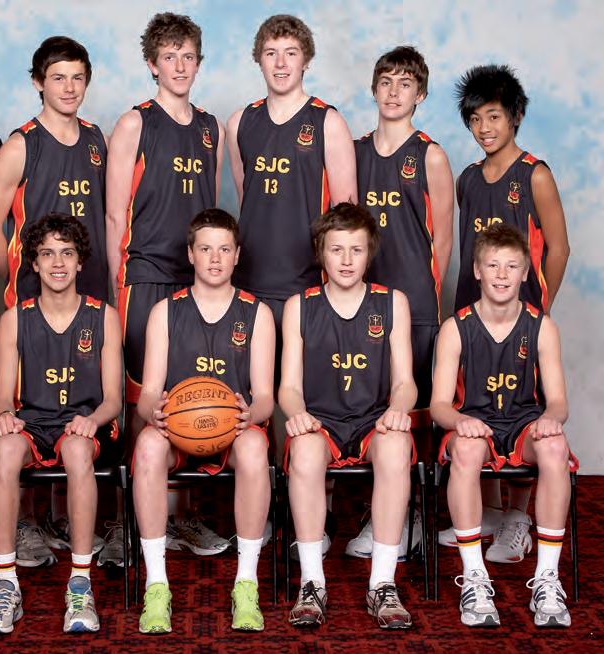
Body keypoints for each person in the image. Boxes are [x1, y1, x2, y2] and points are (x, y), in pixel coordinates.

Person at [0, 35, 111, 567]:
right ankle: (25, 522)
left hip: (86, 291)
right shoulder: (21, 145)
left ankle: (61, 517)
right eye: (58, 78)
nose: (69, 87)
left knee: (76, 401)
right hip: (36, 293)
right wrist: (22, 273)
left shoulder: (96, 139)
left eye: (77, 77)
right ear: (38, 82)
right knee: (24, 407)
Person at [105, 12, 229, 567]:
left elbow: (212, 208)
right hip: (147, 276)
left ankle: (184, 516)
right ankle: (127, 520)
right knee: (143, 400)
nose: (179, 66)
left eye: (188, 57)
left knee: (196, 394)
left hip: (198, 280)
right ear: (152, 64)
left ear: (198, 63)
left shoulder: (210, 127)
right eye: (169, 57)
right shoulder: (135, 123)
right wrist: (120, 287)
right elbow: (114, 216)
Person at [437, 63, 572, 561]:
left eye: (493, 116)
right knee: (476, 404)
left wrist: (541, 307)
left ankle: (518, 516)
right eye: (475, 119)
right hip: (474, 309)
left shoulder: (535, 174)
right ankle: (489, 511)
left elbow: (558, 248)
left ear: (515, 116)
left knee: (523, 405)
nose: (484, 128)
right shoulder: (468, 179)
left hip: (521, 312)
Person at [132, 209, 276, 634]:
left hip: (232, 428)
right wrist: (154, 412)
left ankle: (246, 583)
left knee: (255, 445)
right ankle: (157, 585)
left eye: (224, 249)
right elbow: (148, 394)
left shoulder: (257, 313)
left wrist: (251, 413)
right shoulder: (165, 312)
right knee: (147, 444)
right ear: (190, 254)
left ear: (237, 255)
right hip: (179, 429)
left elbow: (265, 397)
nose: (215, 258)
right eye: (206, 249)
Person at [0, 214, 122, 635]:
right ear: (34, 264)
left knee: (75, 449)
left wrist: (92, 420)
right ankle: (6, 583)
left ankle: (80, 584)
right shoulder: (15, 319)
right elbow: (4, 397)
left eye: (67, 253)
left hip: (85, 423)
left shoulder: (103, 316)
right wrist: (3, 417)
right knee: (5, 450)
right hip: (34, 422)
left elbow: (113, 400)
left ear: (80, 262)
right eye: (47, 254)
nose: (58, 263)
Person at [430, 223, 578, 628]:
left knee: (554, 446)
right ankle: (474, 576)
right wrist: (461, 421)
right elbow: (440, 405)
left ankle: (547, 578)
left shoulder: (541, 326)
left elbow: (558, 401)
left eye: (511, 266)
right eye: (493, 265)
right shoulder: (455, 328)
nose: (501, 274)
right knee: (466, 450)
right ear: (476, 270)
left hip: (523, 422)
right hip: (473, 423)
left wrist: (550, 419)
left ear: (526, 272)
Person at [280, 202, 417, 629]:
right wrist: (297, 414)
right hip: (321, 421)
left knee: (396, 448)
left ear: (369, 253)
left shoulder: (392, 302)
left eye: (356, 250)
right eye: (336, 249)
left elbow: (405, 381)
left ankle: (382, 583)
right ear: (320, 252)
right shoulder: (299, 305)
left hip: (373, 420)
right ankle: (312, 582)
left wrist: (398, 409)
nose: (345, 260)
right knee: (304, 453)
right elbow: (289, 387)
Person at [345, 45, 453, 561]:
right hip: (361, 302)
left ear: (420, 94)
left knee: (414, 411)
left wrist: (425, 301)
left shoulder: (430, 155)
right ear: (373, 89)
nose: (393, 92)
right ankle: (377, 512)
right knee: (370, 407)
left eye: (405, 84)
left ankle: (413, 516)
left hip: (415, 303)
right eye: (386, 82)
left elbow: (443, 242)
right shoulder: (353, 151)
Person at [226, 14, 356, 331]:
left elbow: (347, 220)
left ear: (306, 60)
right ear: (259, 60)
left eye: (291, 53)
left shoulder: (328, 122)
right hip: (248, 281)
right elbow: (247, 200)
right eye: (271, 53)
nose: (281, 63)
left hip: (307, 283)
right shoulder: (239, 122)